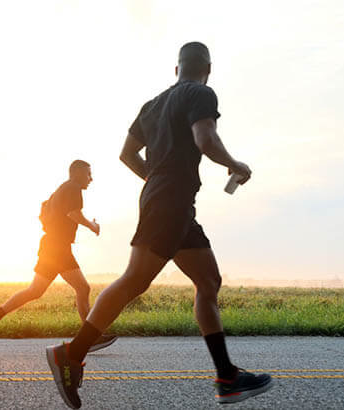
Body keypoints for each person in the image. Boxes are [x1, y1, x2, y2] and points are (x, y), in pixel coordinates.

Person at [45, 43, 272, 409]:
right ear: (208, 68)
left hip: (173, 202)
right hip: (170, 201)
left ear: (177, 66)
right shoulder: (201, 92)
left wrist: (155, 178)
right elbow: (206, 139)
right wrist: (236, 165)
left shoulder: (152, 106)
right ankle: (70, 354)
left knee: (208, 281)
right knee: (135, 279)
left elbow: (127, 154)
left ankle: (227, 377)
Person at [0, 160, 117, 352]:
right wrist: (93, 226)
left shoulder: (62, 189)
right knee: (83, 288)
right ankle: (90, 337)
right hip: (58, 247)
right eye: (88, 174)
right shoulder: (73, 188)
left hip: (51, 245)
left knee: (35, 291)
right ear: (77, 173)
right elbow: (74, 214)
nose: (91, 179)